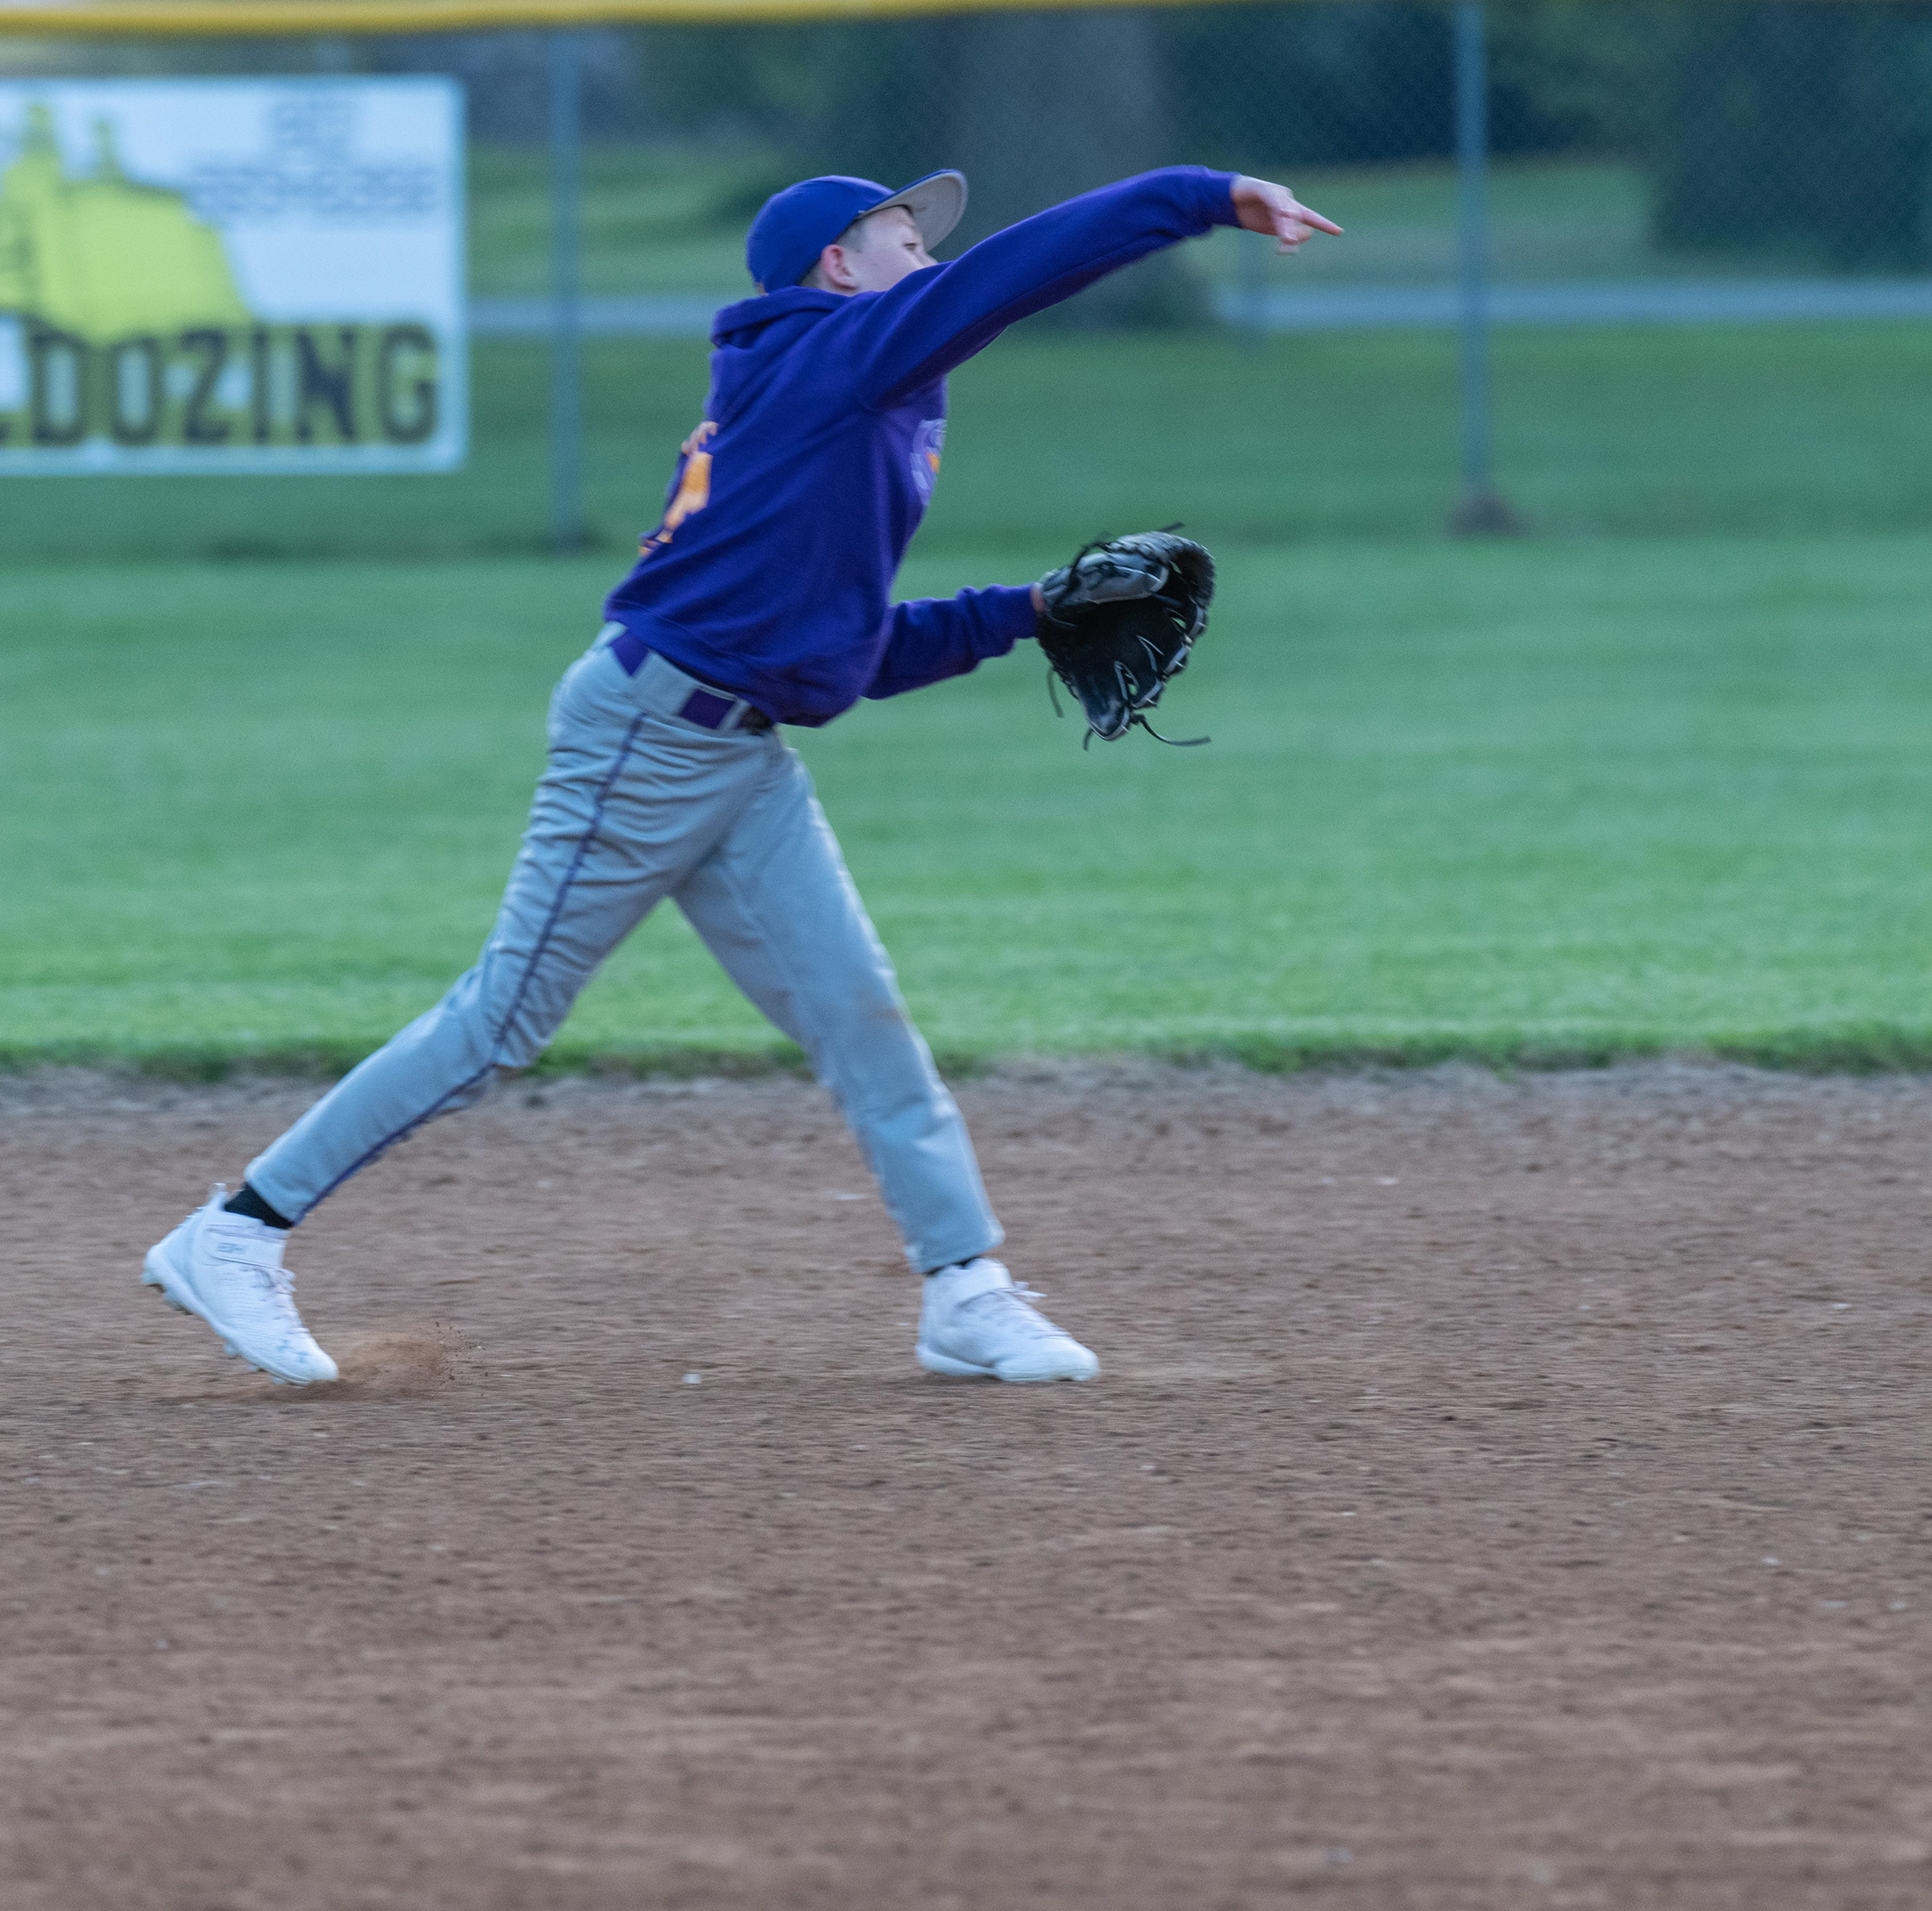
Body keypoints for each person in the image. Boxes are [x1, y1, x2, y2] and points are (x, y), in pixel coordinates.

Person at [146, 160, 1342, 1385]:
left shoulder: (839, 392)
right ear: (840, 266)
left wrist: (1027, 611)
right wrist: (1199, 195)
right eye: (903, 239)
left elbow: (837, 654)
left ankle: (965, 1290)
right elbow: (1009, 277)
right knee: (501, 1019)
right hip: (648, 737)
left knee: (861, 1018)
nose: (926, 259)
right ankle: (235, 1232)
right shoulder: (838, 357)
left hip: (739, 746)